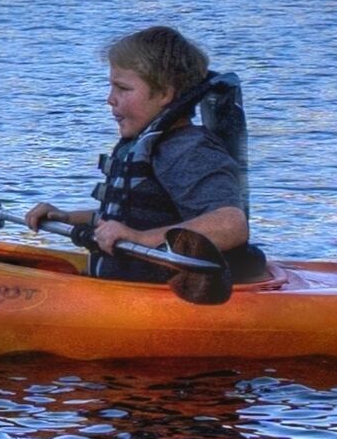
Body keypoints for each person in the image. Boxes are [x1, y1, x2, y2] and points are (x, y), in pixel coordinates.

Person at [23, 24, 254, 276]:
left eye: (123, 88)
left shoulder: (189, 151)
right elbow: (138, 215)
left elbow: (232, 225)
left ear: (165, 93)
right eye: (112, 87)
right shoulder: (152, 145)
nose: (110, 99)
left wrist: (141, 238)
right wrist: (68, 218)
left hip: (167, 300)